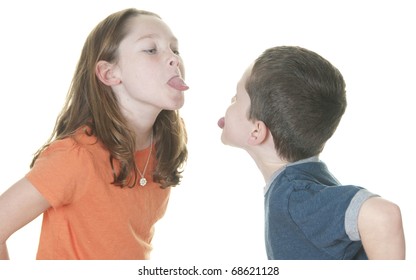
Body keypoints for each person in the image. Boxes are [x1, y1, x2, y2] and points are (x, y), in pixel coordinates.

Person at [0, 8, 189, 260]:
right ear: (109, 73)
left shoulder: (166, 143)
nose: (174, 59)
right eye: (151, 49)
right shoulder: (74, 156)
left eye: (174, 49)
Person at [217, 46, 405, 260]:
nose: (230, 103)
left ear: (257, 131)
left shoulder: (294, 196)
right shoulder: (309, 179)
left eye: (235, 98)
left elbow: (383, 215)